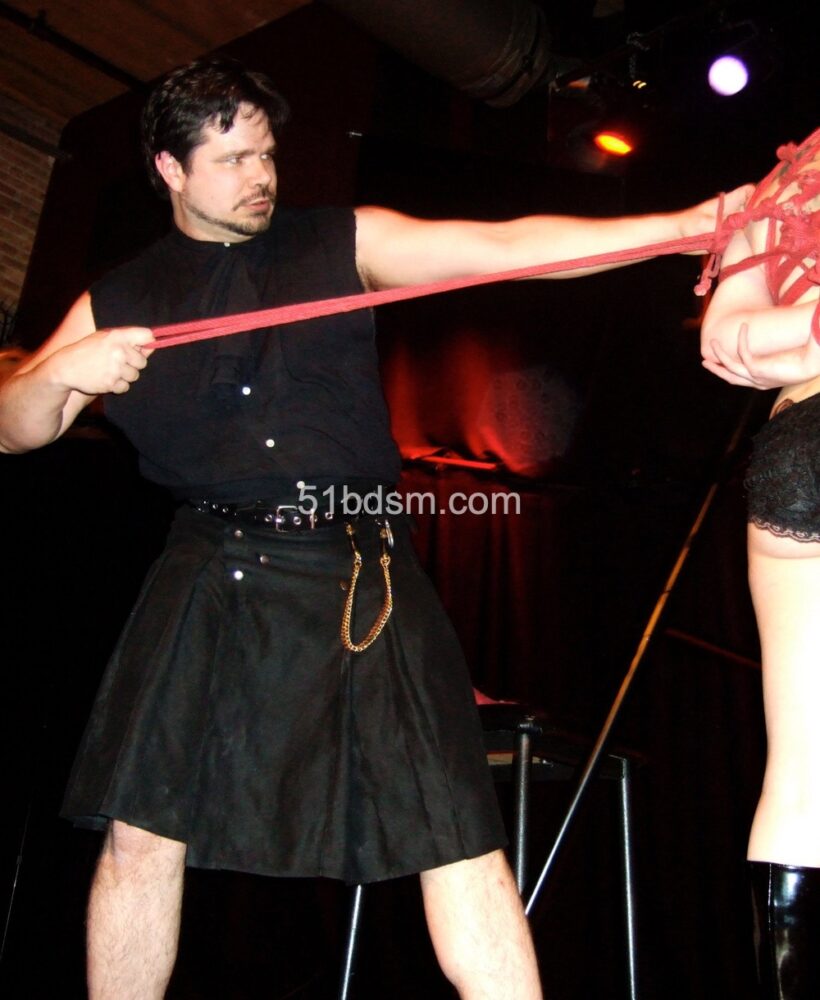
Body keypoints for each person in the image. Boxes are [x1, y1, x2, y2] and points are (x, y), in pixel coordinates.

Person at [0, 58, 748, 1000]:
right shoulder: (117, 300)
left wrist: (689, 226)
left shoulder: (340, 242)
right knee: (141, 831)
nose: (260, 175)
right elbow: (13, 428)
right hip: (214, 567)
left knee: (457, 833)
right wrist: (61, 373)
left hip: (362, 568)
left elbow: (508, 247)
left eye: (266, 153)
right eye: (231, 160)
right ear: (170, 170)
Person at [701, 127, 820, 998]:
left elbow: (726, 342)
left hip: (798, 445)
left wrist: (805, 336)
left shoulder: (789, 178)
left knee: (803, 773)